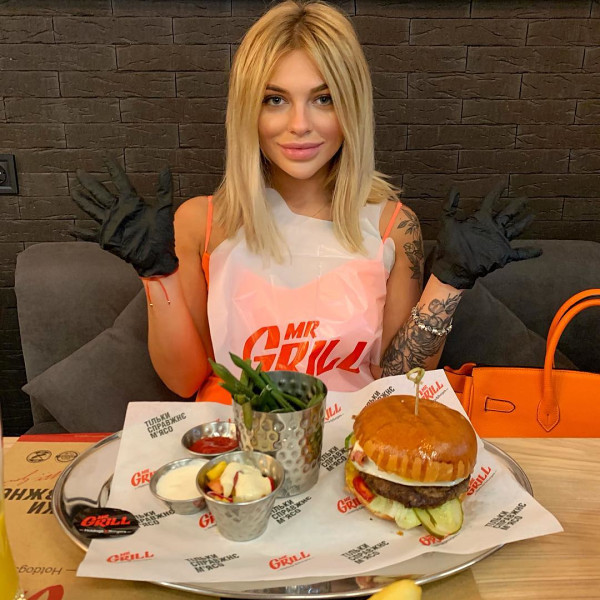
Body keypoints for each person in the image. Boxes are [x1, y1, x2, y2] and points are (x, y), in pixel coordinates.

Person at [71, 0, 541, 403]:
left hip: (350, 449)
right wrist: (157, 276)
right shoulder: (201, 222)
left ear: (352, 107)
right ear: (247, 110)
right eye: (275, 100)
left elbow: (397, 382)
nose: (299, 125)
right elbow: (185, 380)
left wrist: (447, 286)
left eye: (324, 99)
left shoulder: (395, 226)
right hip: (237, 454)